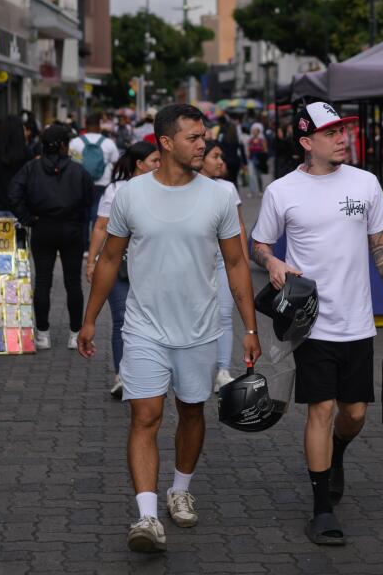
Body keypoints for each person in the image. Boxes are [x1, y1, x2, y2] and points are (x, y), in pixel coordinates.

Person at [77, 104, 261, 554]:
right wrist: (89, 319)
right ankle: (146, 516)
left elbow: (237, 263)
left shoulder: (218, 195)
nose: (203, 144)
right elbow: (111, 260)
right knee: (146, 416)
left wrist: (250, 328)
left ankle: (180, 487)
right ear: (165, 141)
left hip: (199, 330)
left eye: (204, 137)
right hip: (144, 328)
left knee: (193, 412)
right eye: (194, 137)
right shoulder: (131, 195)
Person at [251, 101, 383, 547]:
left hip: (358, 323)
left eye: (344, 129)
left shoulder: (366, 183)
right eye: (332, 132)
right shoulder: (282, 191)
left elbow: (381, 245)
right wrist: (272, 261)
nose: (343, 137)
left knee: (355, 414)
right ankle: (322, 509)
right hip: (310, 324)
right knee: (320, 410)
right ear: (307, 142)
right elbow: (258, 242)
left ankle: (337, 452)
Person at [9, 125, 94, 350]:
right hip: (71, 229)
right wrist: (79, 218)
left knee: (43, 281)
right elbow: (89, 198)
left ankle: (43, 334)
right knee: (73, 282)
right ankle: (75, 334)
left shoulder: (31, 168)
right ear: (64, 145)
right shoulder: (78, 171)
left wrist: (28, 218)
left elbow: (13, 193)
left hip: (42, 227)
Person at [86, 141, 160, 398]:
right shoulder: (116, 190)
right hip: (119, 264)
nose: (159, 165)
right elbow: (100, 227)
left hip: (152, 266)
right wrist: (92, 260)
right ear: (139, 164)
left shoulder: (165, 188)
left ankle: (147, 371)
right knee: (121, 319)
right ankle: (121, 375)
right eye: (154, 161)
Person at [201, 139, 248, 391]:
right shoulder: (188, 186)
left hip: (222, 259)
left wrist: (241, 258)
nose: (221, 162)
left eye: (221, 156)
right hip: (196, 261)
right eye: (215, 156)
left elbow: (239, 224)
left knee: (224, 315)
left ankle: (222, 370)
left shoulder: (228, 188)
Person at [69, 112, 121, 248]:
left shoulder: (76, 142)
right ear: (99, 126)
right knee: (98, 214)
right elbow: (115, 162)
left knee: (83, 214)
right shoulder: (108, 143)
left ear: (85, 125)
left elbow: (72, 162)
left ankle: (84, 245)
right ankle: (95, 245)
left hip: (80, 183)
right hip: (102, 183)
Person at [245, 123, 268, 197]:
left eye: (255, 131)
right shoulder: (250, 140)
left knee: (258, 175)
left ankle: (260, 190)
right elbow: (248, 150)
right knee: (251, 175)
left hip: (258, 159)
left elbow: (265, 150)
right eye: (253, 131)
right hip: (251, 159)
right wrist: (248, 156)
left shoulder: (262, 140)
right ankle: (252, 191)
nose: (254, 132)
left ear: (258, 132)